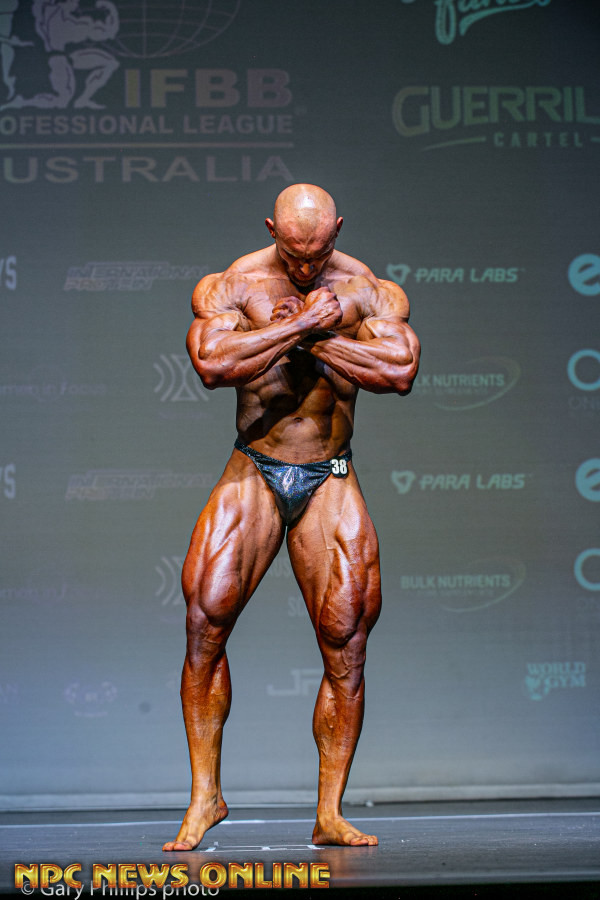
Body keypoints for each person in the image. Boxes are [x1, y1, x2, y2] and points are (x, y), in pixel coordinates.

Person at [163, 184, 420, 851]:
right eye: (295, 252)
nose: (306, 265)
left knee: (346, 642)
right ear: (272, 229)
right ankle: (205, 796)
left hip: (330, 474)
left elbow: (399, 371)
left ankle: (329, 813)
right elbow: (212, 364)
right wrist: (301, 328)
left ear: (337, 230)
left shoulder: (368, 290)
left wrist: (312, 339)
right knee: (204, 622)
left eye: (319, 252)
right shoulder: (233, 284)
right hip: (254, 465)